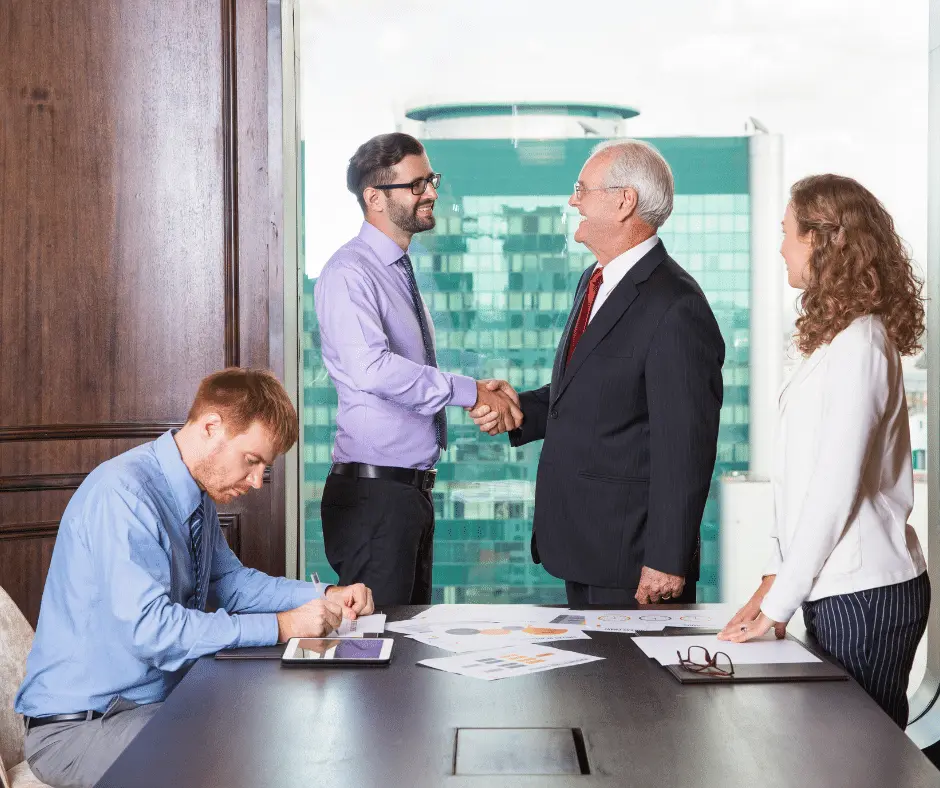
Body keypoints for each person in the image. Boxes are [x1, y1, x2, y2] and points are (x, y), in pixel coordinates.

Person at [15, 368, 374, 788]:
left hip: (152, 707)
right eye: (252, 460)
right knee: (245, 759)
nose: (258, 481)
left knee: (280, 727)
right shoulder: (123, 495)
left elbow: (232, 585)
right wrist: (283, 626)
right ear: (211, 427)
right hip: (79, 730)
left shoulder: (195, 496)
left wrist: (329, 593)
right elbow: (152, 631)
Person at [471, 140, 724, 607]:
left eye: (581, 189)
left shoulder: (676, 305)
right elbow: (592, 391)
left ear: (624, 201)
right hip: (584, 545)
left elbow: (685, 445)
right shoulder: (595, 280)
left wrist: (667, 558)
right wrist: (520, 408)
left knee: (632, 683)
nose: (573, 201)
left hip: (632, 558)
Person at [719, 174, 929, 729]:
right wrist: (773, 575)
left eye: (788, 233)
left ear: (822, 239)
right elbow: (801, 481)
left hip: (866, 594)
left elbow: (835, 488)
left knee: (863, 759)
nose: (781, 246)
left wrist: (776, 606)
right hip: (839, 589)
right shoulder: (841, 340)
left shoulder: (861, 343)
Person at [315, 132, 522, 606]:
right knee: (380, 653)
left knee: (406, 652)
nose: (431, 192)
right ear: (375, 198)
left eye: (431, 180)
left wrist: (479, 388)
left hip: (405, 495)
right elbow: (372, 369)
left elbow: (408, 367)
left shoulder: (395, 268)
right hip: (374, 497)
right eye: (416, 185)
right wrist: (470, 392)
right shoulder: (351, 272)